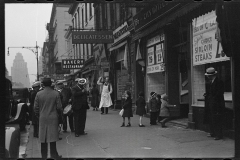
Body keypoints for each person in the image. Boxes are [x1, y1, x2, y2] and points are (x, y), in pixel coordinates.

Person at [34, 78, 62, 159]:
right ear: (51, 84)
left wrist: (39, 115)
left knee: (43, 139)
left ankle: (44, 157)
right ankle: (54, 156)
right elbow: (59, 107)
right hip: (53, 117)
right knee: (52, 139)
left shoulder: (38, 94)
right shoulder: (56, 93)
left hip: (42, 117)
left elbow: (36, 108)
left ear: (43, 84)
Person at [203, 67, 225, 140]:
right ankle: (213, 133)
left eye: (208, 75)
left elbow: (219, 93)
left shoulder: (219, 82)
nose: (207, 77)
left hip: (217, 104)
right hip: (211, 103)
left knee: (217, 119)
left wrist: (211, 98)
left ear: (211, 75)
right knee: (212, 118)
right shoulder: (211, 82)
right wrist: (207, 95)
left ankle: (219, 135)